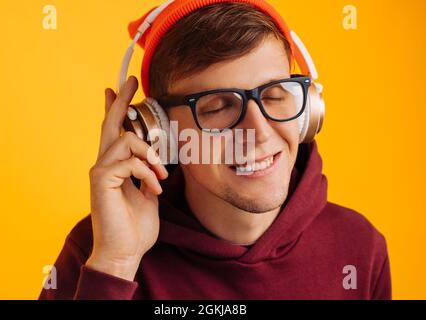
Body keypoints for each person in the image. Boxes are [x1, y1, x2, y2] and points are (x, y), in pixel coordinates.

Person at [39, 0, 391, 300]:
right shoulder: (98, 249)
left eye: (274, 94)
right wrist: (115, 264)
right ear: (160, 132)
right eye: (218, 106)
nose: (258, 131)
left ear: (308, 108)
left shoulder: (359, 247)